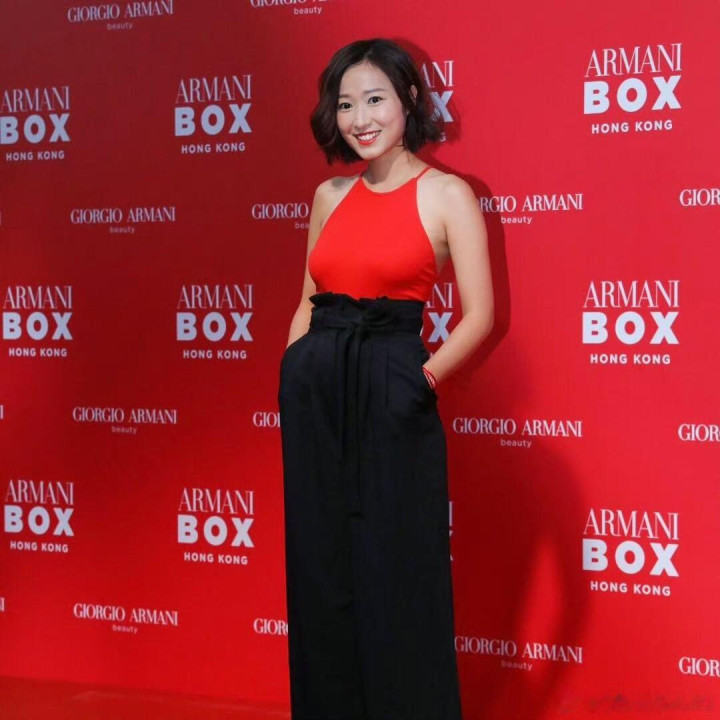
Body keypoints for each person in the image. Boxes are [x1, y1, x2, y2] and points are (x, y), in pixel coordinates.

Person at [278, 37, 493, 720]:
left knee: (399, 569)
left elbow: (481, 316)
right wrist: (292, 373)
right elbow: (307, 300)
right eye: (345, 104)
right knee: (321, 569)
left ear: (409, 100)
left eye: (374, 99)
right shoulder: (328, 194)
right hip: (316, 394)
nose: (360, 118)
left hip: (393, 388)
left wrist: (420, 382)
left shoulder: (448, 194)